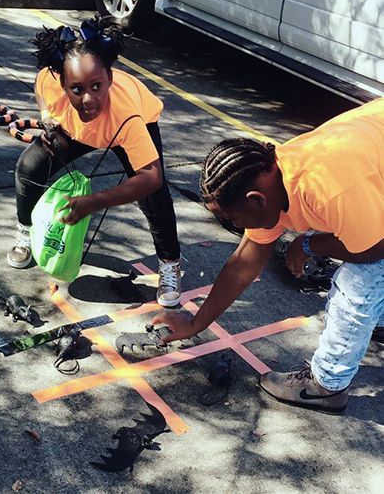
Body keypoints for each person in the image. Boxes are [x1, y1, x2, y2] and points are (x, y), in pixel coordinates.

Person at [153, 98, 384, 413]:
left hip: (363, 197)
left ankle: (326, 385)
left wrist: (307, 245)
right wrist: (195, 322)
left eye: (233, 219)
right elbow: (241, 266)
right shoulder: (271, 181)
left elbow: (373, 250)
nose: (234, 226)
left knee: (357, 282)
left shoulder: (326, 189)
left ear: (256, 200)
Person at [7, 16, 182, 307]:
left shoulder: (126, 117)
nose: (89, 98)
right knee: (30, 166)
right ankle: (25, 230)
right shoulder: (54, 81)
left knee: (153, 195)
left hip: (124, 125)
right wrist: (47, 118)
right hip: (74, 129)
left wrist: (95, 201)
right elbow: (41, 84)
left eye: (97, 86)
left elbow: (152, 176)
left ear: (110, 80)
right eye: (77, 89)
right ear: (63, 85)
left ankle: (170, 262)